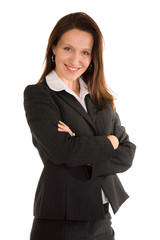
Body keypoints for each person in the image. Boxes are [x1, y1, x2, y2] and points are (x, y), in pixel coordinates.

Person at [23, 12, 136, 240]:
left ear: (93, 56)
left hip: (103, 220)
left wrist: (81, 147)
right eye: (68, 49)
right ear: (53, 47)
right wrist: (108, 142)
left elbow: (127, 153)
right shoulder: (39, 95)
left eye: (85, 52)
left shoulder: (101, 98)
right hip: (61, 221)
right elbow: (61, 150)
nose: (76, 60)